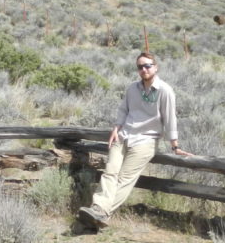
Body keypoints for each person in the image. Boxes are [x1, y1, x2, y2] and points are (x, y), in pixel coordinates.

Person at [77, 52, 186, 228]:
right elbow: (123, 110)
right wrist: (116, 128)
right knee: (110, 172)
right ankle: (98, 210)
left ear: (155, 67)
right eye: (140, 67)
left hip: (146, 140)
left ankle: (100, 212)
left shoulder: (165, 91)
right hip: (124, 135)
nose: (144, 69)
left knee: (124, 179)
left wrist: (175, 145)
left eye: (147, 65)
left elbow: (170, 118)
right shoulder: (132, 88)